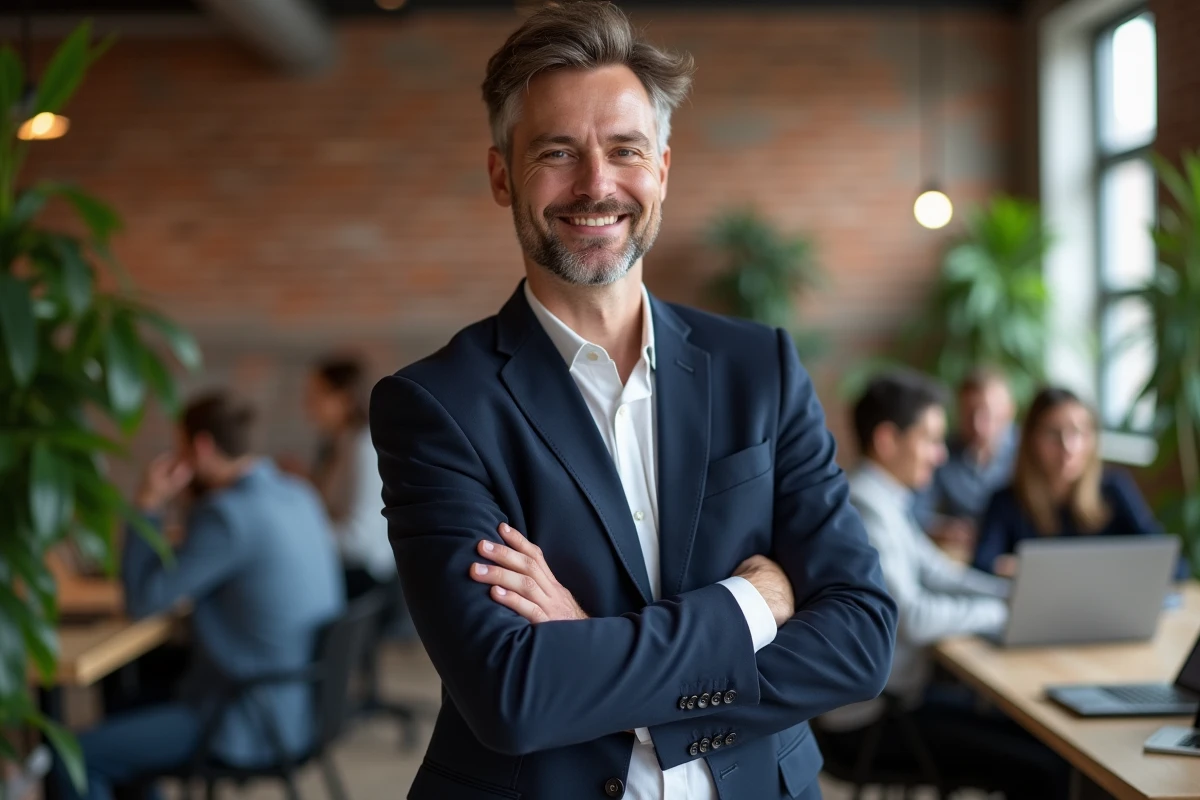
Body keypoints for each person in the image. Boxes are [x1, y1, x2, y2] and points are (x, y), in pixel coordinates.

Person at [368, 4, 896, 799]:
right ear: (501, 174)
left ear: (663, 171)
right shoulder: (436, 408)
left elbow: (860, 638)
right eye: (557, 152)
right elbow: (512, 696)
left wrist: (592, 654)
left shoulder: (761, 369)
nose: (596, 184)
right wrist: (750, 603)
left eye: (625, 150)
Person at [53, 392, 345, 800]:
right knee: (125, 697)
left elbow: (142, 601)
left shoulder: (228, 516)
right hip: (297, 705)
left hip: (243, 715)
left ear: (202, 447)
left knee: (74, 755)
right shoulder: (297, 493)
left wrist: (148, 504)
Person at [818, 371, 1068, 799]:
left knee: (1040, 740)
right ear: (886, 440)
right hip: (873, 723)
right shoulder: (865, 511)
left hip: (894, 704)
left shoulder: (884, 502)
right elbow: (912, 617)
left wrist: (1017, 593)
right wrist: (1007, 611)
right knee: (1044, 768)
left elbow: (941, 573)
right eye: (930, 439)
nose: (939, 455)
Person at [973, 386, 1181, 579]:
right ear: (1031, 439)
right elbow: (981, 566)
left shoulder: (1114, 489)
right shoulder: (1005, 502)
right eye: (1053, 434)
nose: (1068, 447)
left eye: (1079, 432)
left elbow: (1171, 562)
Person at [300, 356, 397, 598]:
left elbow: (359, 538)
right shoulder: (338, 444)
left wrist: (299, 534)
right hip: (345, 564)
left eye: (317, 395)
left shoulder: (363, 448)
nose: (308, 404)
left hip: (365, 575)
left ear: (344, 398)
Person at [913, 367, 1017, 552]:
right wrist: (943, 528)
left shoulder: (1025, 452)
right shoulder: (942, 454)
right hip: (966, 551)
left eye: (987, 414)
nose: (978, 425)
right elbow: (916, 510)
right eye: (969, 415)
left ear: (1008, 411)